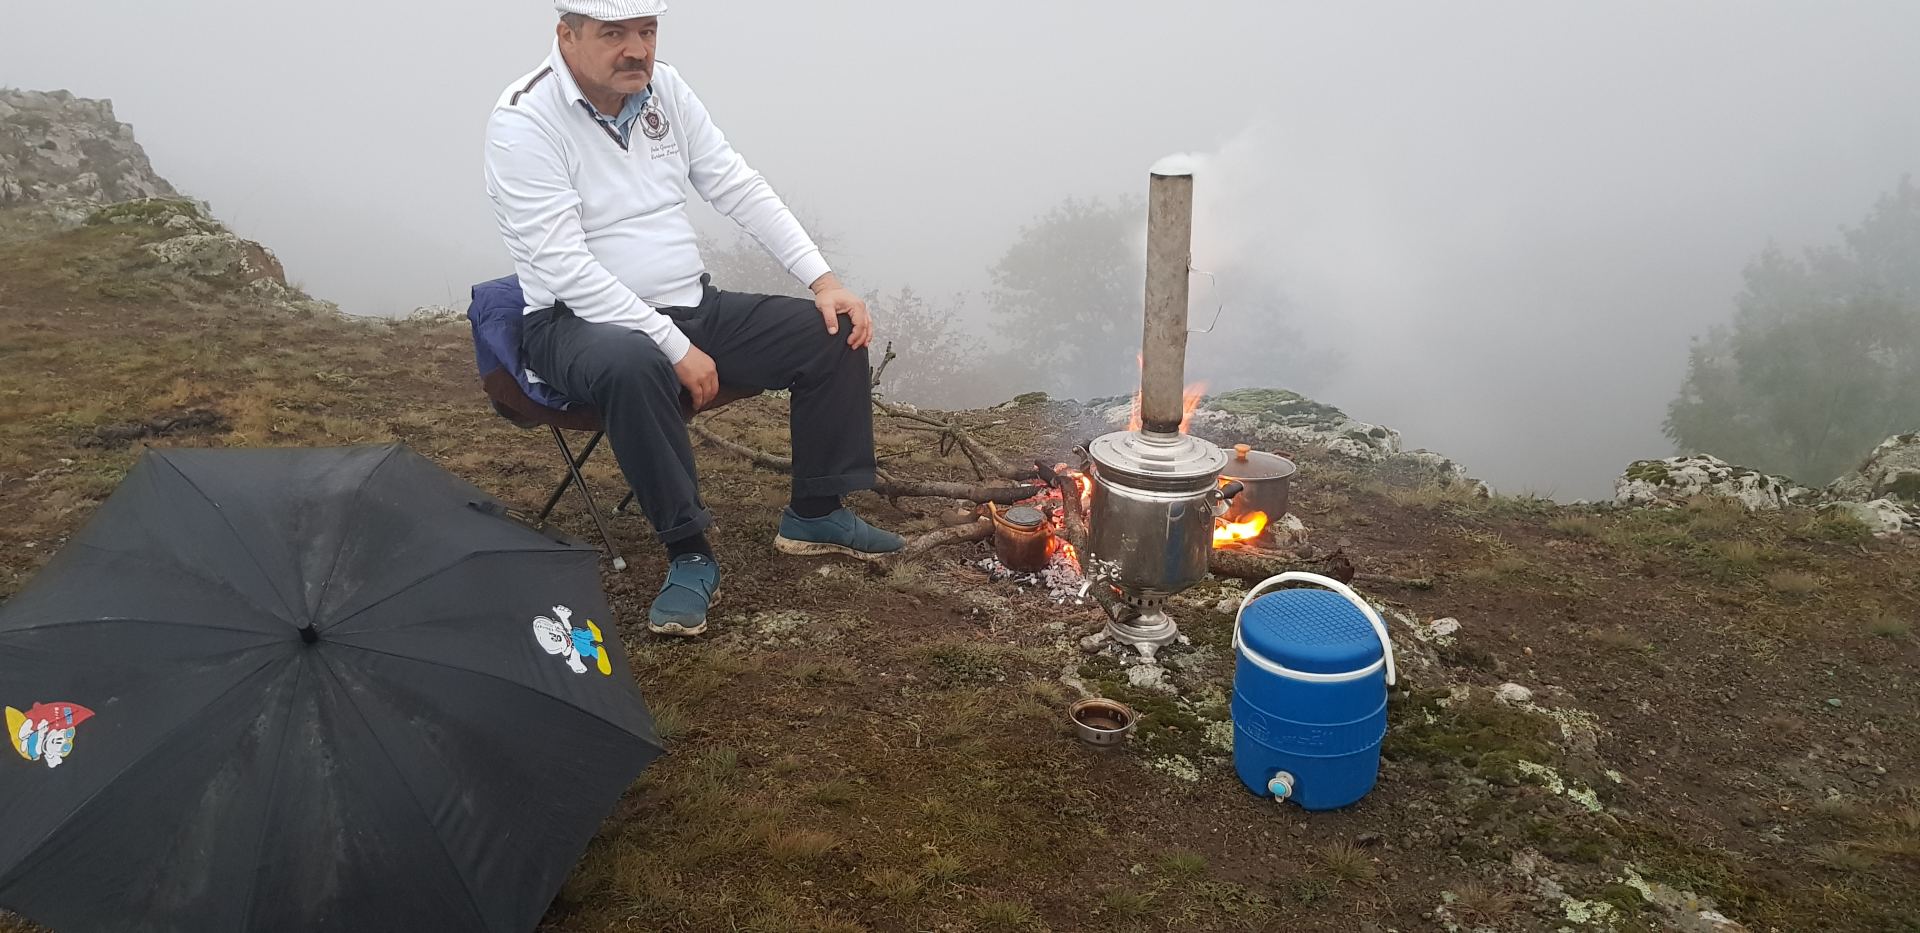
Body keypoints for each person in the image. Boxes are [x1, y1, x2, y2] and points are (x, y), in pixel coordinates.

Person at [484, 0, 902, 638]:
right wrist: (671, 344)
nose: (637, 49)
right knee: (634, 361)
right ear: (566, 35)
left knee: (833, 331)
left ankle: (816, 511)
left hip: (689, 303)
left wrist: (825, 281)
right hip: (573, 323)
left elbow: (737, 185)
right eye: (614, 33)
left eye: (647, 31)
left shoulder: (665, 89)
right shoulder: (524, 119)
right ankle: (689, 553)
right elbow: (563, 267)